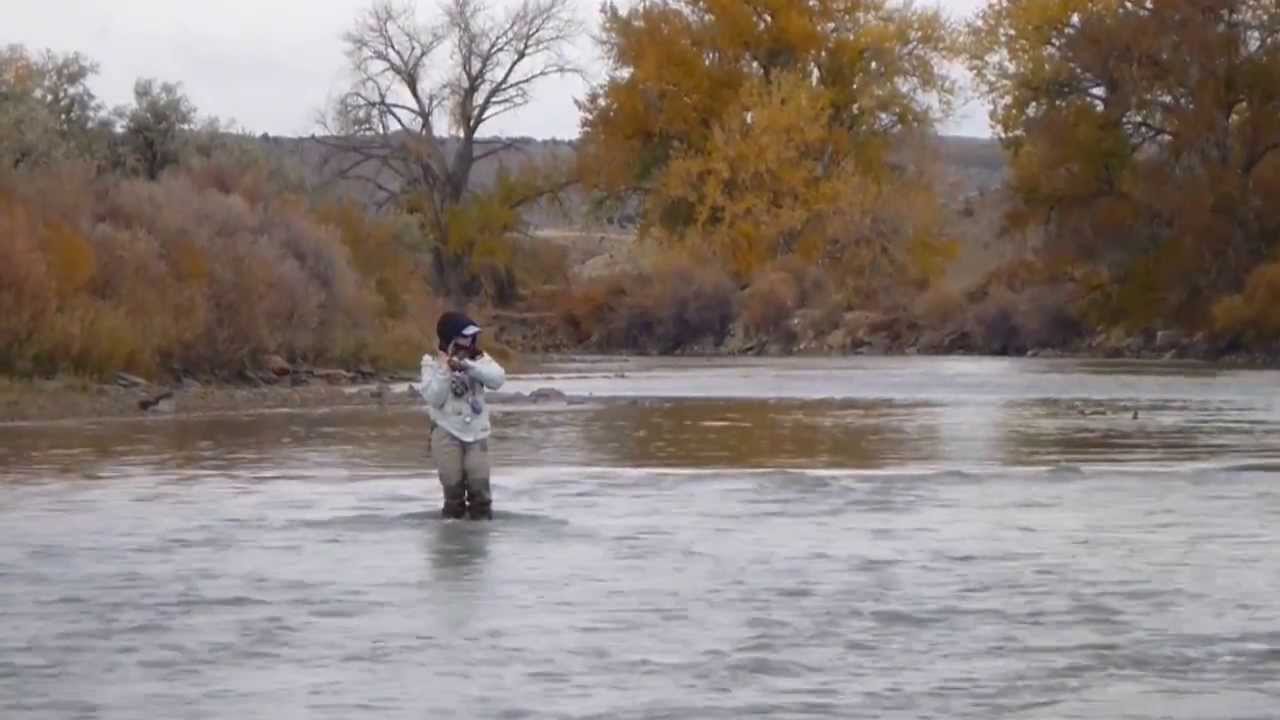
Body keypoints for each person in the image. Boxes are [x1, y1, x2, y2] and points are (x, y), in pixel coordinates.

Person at [420, 311, 506, 520]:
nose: (468, 341)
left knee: (480, 487)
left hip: (477, 434)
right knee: (453, 490)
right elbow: (434, 398)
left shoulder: (480, 358)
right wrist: (446, 369)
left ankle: (481, 534)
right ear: (450, 337)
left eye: (470, 336)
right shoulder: (430, 362)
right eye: (463, 336)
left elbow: (498, 379)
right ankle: (453, 537)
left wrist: (470, 367)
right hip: (446, 432)